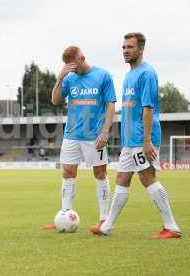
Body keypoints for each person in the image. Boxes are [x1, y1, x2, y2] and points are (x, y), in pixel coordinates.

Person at [90, 33, 181, 238]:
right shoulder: (129, 74)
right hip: (130, 140)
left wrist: (147, 140)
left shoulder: (147, 73)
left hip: (142, 138)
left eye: (130, 47)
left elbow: (148, 108)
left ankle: (172, 227)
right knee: (122, 178)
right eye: (123, 47)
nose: (125, 51)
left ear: (140, 49)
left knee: (147, 177)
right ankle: (107, 226)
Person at [46, 46, 116, 230]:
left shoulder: (103, 76)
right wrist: (60, 78)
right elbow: (55, 100)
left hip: (95, 135)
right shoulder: (69, 78)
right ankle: (65, 215)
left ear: (82, 58)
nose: (71, 69)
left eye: (73, 64)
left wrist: (105, 131)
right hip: (71, 135)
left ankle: (104, 219)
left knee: (100, 174)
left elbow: (110, 105)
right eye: (67, 65)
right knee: (67, 173)